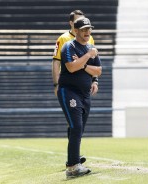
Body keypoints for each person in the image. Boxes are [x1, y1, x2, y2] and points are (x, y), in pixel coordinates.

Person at [52, 10, 98, 166]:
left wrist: (94, 80)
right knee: (75, 125)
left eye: (88, 28)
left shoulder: (90, 41)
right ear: (73, 25)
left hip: (84, 89)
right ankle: (72, 162)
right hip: (68, 87)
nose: (87, 31)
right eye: (83, 27)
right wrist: (56, 83)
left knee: (77, 127)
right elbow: (59, 62)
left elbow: (96, 67)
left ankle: (73, 157)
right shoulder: (65, 41)